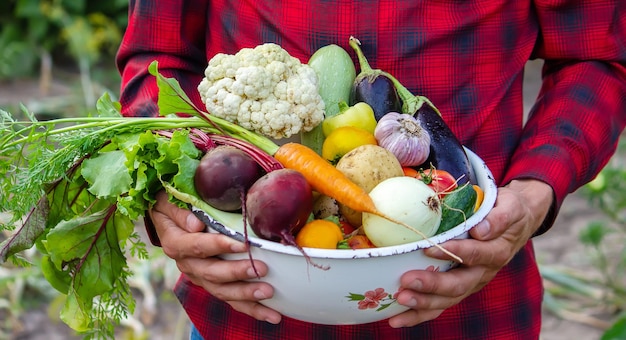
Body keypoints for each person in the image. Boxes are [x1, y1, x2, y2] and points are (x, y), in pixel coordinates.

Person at [115, 1, 626, 339]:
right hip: (249, 304)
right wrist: (169, 195)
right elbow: (157, 54)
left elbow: (597, 56)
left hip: (468, 300)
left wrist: (534, 192)